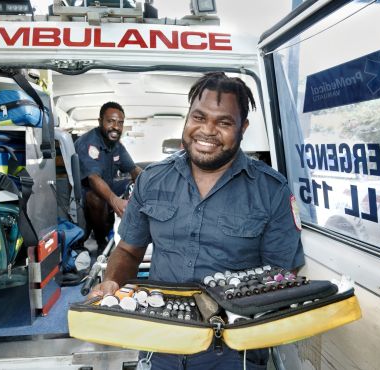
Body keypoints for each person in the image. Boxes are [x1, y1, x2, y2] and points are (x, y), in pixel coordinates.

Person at [89, 72, 304, 369]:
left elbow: (282, 275)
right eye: (198, 117)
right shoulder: (152, 180)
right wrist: (111, 281)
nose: (207, 131)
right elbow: (128, 250)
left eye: (224, 122)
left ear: (243, 127)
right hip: (160, 342)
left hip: (232, 352)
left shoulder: (272, 191)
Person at [74, 101, 142, 253]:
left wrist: (150, 184)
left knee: (135, 182)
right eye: (110, 121)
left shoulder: (116, 144)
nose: (116, 127)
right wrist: (114, 200)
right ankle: (101, 241)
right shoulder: (89, 143)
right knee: (96, 198)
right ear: (100, 122)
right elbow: (93, 178)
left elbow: (133, 169)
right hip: (85, 192)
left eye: (120, 123)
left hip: (108, 184)